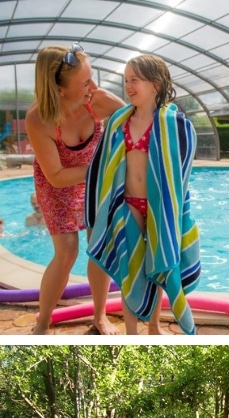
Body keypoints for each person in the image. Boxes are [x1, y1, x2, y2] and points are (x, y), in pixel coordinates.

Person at [85, 53, 201, 335]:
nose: (128, 86)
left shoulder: (175, 124)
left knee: (157, 263)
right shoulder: (118, 123)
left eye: (135, 80)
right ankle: (131, 332)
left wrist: (173, 207)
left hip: (159, 207)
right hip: (128, 204)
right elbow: (103, 167)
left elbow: (180, 173)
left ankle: (154, 325)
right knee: (131, 269)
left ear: (156, 85)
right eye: (126, 80)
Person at [26, 43, 124, 335]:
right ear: (59, 89)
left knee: (99, 248)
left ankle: (99, 316)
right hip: (58, 183)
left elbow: (140, 123)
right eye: (84, 82)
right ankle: (43, 321)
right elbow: (55, 176)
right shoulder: (38, 119)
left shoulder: (99, 101)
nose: (92, 86)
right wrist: (103, 168)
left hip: (94, 181)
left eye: (92, 77)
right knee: (67, 252)